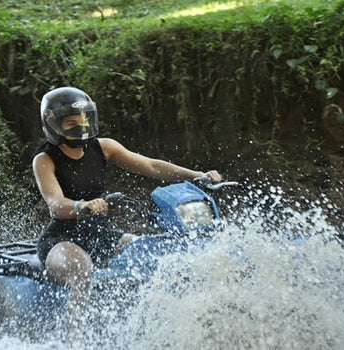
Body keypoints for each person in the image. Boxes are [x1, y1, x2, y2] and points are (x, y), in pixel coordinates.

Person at [32, 86, 221, 332]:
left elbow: (151, 166)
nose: (80, 126)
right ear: (54, 125)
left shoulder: (104, 147)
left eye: (84, 118)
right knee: (82, 270)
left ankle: (151, 326)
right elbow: (56, 205)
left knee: (148, 254)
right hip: (62, 239)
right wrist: (82, 206)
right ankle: (75, 340)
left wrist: (197, 175)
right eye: (71, 122)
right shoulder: (45, 159)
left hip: (98, 233)